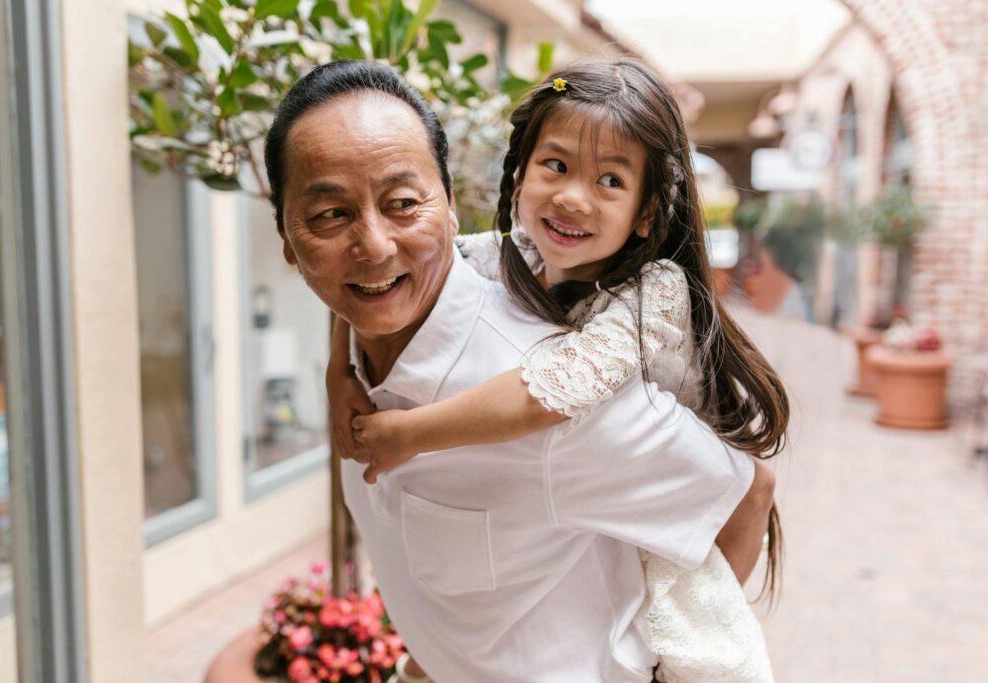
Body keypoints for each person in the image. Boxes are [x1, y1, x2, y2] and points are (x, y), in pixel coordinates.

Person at [265, 59, 774, 683]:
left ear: (450, 207)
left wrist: (684, 651)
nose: (373, 246)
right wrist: (335, 371)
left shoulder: (568, 394)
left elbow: (745, 492)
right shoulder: (486, 267)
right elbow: (369, 282)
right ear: (287, 238)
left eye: (402, 203)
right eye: (330, 215)